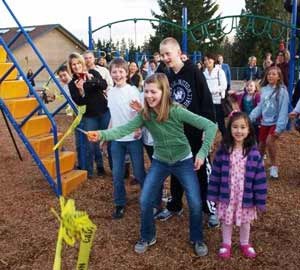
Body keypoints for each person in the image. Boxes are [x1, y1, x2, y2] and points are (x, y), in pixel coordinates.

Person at [87, 73, 217, 256]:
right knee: (145, 200)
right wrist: (101, 134)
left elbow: (210, 126)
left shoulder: (176, 110)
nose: (148, 95)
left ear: (164, 92)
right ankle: (148, 236)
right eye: (146, 91)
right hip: (160, 161)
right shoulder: (145, 115)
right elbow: (124, 129)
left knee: (195, 203)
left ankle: (197, 238)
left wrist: (202, 153)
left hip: (183, 161)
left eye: (153, 91)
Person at [156, 37, 218, 229]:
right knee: (176, 170)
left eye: (169, 54)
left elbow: (206, 101)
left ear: (178, 52)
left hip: (196, 131)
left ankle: (210, 210)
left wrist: (207, 130)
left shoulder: (193, 71)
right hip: (176, 134)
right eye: (162, 54)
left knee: (200, 171)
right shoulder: (167, 76)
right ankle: (175, 205)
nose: (166, 58)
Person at [207, 111, 267, 259]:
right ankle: (226, 244)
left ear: (248, 130)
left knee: (245, 221)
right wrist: (213, 195)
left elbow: (259, 178)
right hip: (227, 195)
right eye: (235, 127)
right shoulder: (223, 151)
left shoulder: (253, 153)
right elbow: (215, 174)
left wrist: (259, 199)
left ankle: (244, 243)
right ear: (230, 129)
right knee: (227, 221)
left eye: (242, 127)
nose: (239, 131)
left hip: (245, 196)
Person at [106, 58, 145, 219]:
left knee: (139, 172)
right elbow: (112, 116)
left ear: (126, 73)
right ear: (110, 73)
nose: (117, 74)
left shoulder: (132, 90)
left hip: (133, 138)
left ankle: (150, 199)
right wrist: (106, 135)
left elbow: (139, 112)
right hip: (117, 139)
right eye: (114, 71)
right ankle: (120, 203)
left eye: (121, 71)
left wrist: (138, 127)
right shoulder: (110, 92)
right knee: (117, 173)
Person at [67, 52, 108, 179]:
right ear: (70, 66)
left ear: (82, 63)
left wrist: (92, 80)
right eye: (73, 64)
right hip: (89, 116)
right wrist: (81, 90)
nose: (76, 66)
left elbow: (104, 85)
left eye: (78, 63)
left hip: (104, 112)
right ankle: (90, 171)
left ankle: (111, 169)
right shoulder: (72, 83)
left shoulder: (93, 73)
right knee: (90, 144)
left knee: (110, 141)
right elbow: (80, 102)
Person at [249, 66, 289, 179]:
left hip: (275, 122)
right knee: (261, 144)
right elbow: (260, 107)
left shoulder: (282, 91)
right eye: (269, 74)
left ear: (279, 77)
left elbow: (283, 109)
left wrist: (280, 127)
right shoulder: (264, 90)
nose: (270, 76)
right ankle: (258, 165)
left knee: (269, 142)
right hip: (265, 122)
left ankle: (274, 166)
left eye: (273, 74)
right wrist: (250, 117)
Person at [57, 65, 86, 169]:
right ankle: (83, 164)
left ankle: (87, 166)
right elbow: (65, 99)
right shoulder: (64, 86)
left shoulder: (75, 83)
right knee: (79, 141)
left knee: (83, 141)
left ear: (69, 73)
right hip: (75, 114)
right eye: (60, 76)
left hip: (82, 113)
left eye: (64, 75)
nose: (63, 78)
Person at [203, 53, 227, 136]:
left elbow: (224, 86)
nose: (207, 61)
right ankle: (209, 146)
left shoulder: (220, 72)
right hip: (207, 103)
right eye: (205, 59)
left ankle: (227, 144)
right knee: (208, 125)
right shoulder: (204, 73)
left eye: (209, 59)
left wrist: (210, 91)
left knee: (221, 126)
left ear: (214, 60)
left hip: (218, 102)